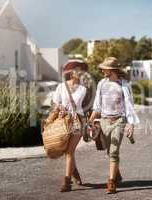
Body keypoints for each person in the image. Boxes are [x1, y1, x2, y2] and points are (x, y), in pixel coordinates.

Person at [89, 57, 140, 194]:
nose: (102, 70)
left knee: (113, 151)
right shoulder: (101, 84)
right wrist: (90, 121)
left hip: (119, 121)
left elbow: (129, 107)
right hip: (104, 121)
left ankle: (111, 182)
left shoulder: (123, 85)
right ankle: (117, 174)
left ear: (111, 70)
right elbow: (97, 106)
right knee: (108, 151)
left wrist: (131, 125)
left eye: (104, 68)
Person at [52, 60, 88, 192]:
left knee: (69, 151)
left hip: (77, 122)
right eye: (78, 70)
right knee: (66, 151)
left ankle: (66, 182)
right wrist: (59, 107)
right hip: (63, 122)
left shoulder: (83, 89)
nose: (81, 73)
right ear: (72, 72)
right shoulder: (61, 87)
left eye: (82, 71)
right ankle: (74, 171)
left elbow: (79, 106)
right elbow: (56, 102)